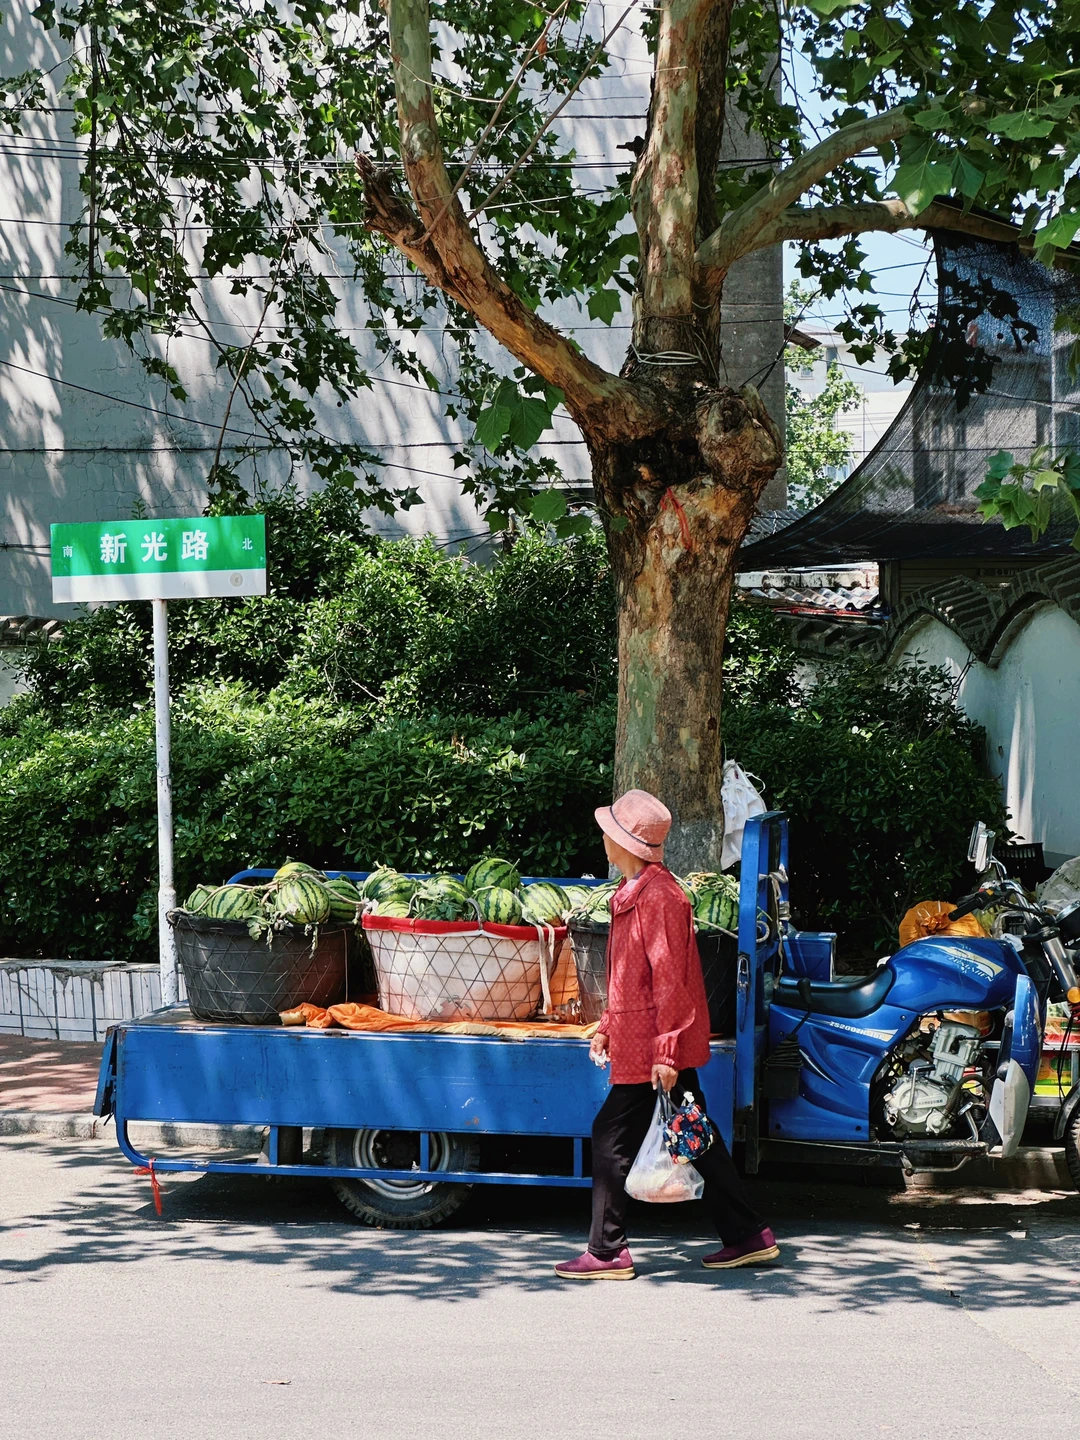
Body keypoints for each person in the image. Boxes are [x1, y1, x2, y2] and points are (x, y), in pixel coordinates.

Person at [555, 788, 779, 1281]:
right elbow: (627, 977)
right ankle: (748, 1234)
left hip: (652, 1048)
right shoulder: (635, 891)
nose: (603, 839)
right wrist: (608, 1027)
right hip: (643, 1040)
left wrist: (667, 1052)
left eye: (609, 832)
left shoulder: (659, 897)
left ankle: (607, 1251)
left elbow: (672, 980)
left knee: (610, 1136)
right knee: (694, 1134)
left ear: (625, 843)